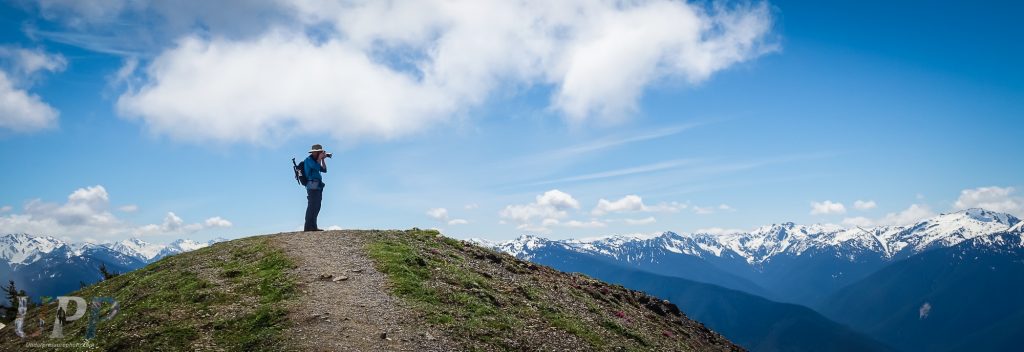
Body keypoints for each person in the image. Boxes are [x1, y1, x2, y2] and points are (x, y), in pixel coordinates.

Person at [304, 144, 329, 231]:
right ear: (314, 152)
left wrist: (323, 160)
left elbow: (324, 170)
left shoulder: (316, 160)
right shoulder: (308, 160)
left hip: (318, 186)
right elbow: (316, 167)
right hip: (311, 185)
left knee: (317, 206)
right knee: (312, 206)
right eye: (318, 152)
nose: (319, 153)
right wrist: (319, 159)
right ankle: (308, 227)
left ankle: (314, 226)